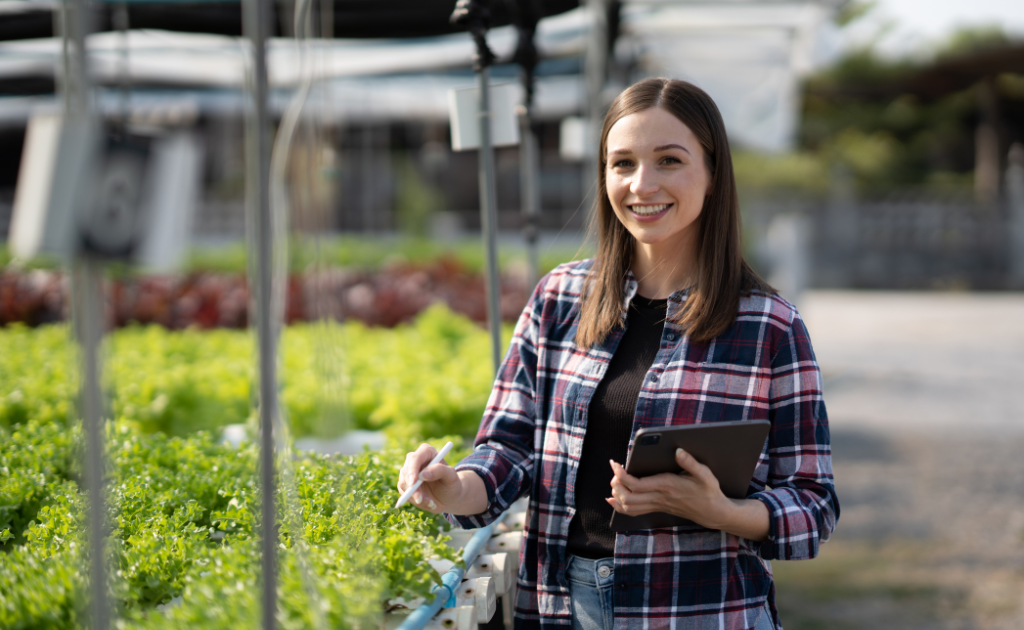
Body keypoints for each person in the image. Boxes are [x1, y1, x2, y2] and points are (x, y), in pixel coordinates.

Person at [397, 78, 839, 630]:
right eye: (622, 163)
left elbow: (813, 506)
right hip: (561, 606)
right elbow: (508, 449)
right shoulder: (559, 299)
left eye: (669, 161)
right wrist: (454, 486)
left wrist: (722, 512)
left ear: (713, 174)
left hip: (702, 612)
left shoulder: (770, 327)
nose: (641, 184)